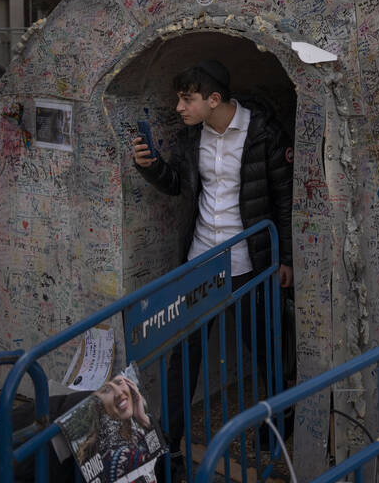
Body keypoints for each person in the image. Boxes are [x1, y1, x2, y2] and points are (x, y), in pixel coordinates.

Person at [132, 60, 293, 466]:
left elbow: (286, 200)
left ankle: (274, 430)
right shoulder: (192, 139)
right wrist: (151, 167)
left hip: (249, 264)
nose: (179, 107)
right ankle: (168, 448)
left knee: (265, 352)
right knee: (182, 359)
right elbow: (179, 188)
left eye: (187, 99)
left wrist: (286, 258)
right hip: (199, 262)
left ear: (214, 99)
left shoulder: (263, 134)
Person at [93, 374, 160, 483]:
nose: (119, 393)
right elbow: (160, 461)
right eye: (106, 390)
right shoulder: (125, 454)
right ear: (98, 404)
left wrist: (144, 420)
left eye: (119, 382)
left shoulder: (135, 432)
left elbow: (159, 454)